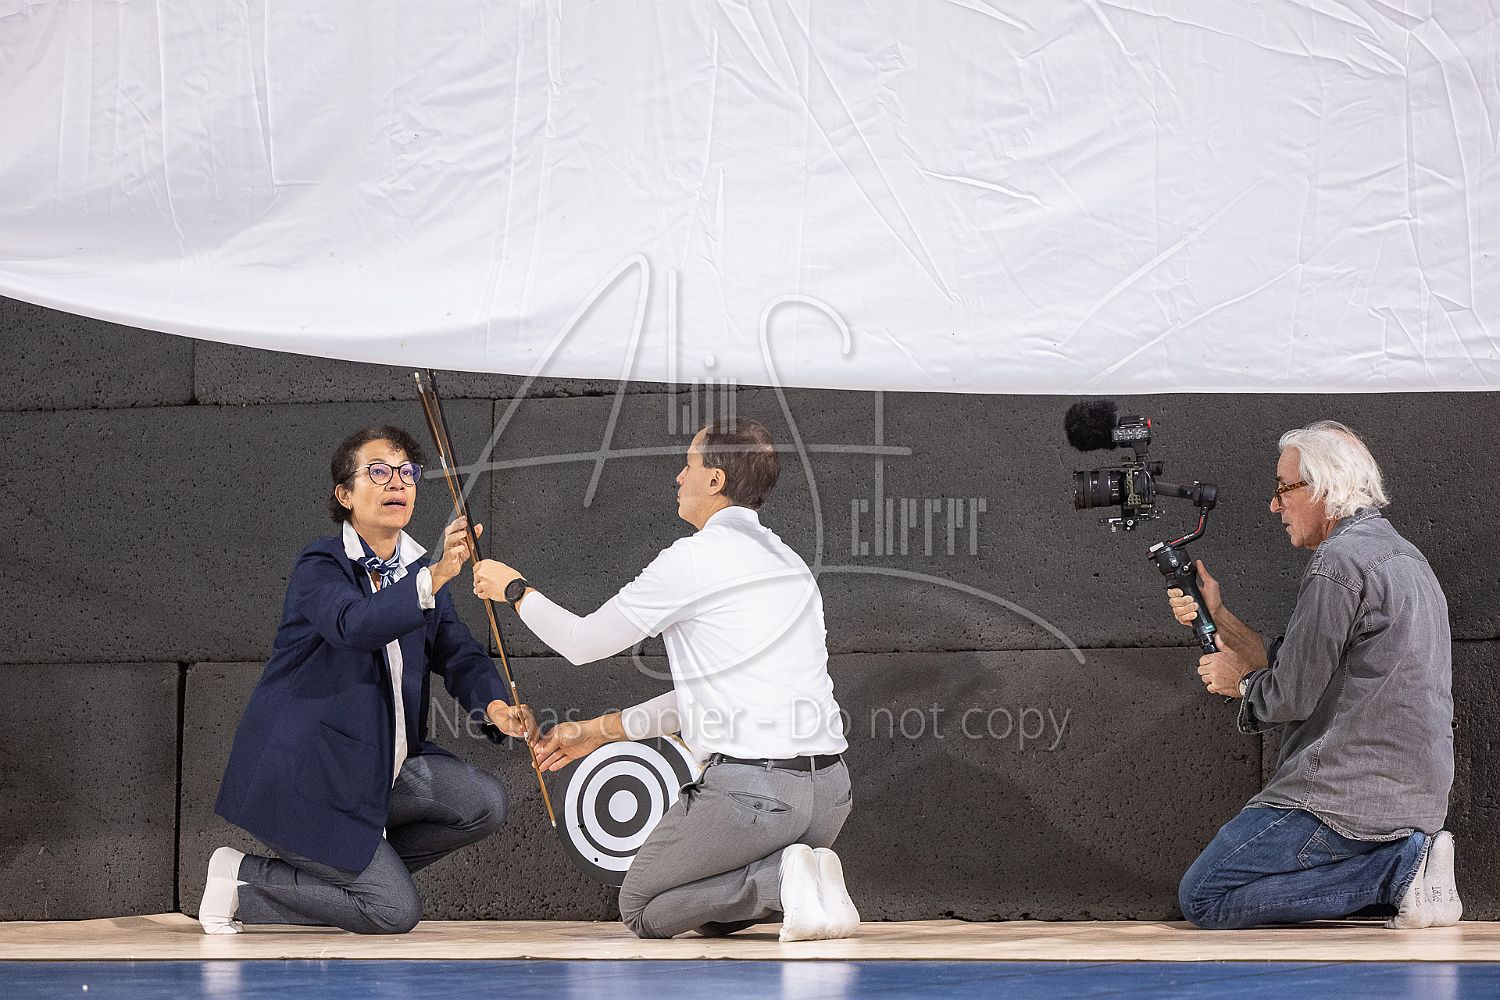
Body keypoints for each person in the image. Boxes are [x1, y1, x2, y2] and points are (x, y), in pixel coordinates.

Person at [472, 418, 859, 941]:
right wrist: (597, 731)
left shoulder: (692, 560)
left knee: (643, 906)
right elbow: (709, 698)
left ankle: (778, 880)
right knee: (710, 919)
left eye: (689, 464)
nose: (679, 476)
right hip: (829, 797)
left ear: (715, 480)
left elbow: (581, 643)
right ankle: (802, 876)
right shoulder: (792, 564)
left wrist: (515, 590)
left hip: (756, 797)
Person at [200, 425, 535, 935]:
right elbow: (353, 625)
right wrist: (435, 576)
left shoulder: (420, 573)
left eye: (407, 473)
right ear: (345, 494)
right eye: (378, 472)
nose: (396, 482)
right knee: (393, 911)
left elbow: (459, 654)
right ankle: (240, 878)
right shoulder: (321, 565)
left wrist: (496, 708)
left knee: (482, 803)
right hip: (310, 776)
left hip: (377, 771)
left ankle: (357, 875)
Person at [1170, 420, 1459, 930]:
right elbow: (1290, 664)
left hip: (1341, 799)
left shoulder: (1338, 563)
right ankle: (1411, 869)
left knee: (1205, 896)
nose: (1274, 505)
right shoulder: (1404, 557)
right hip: (1413, 801)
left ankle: (1396, 872)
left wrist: (1240, 684)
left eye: (1283, 488)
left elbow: (1289, 695)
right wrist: (1217, 614)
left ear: (1323, 487)